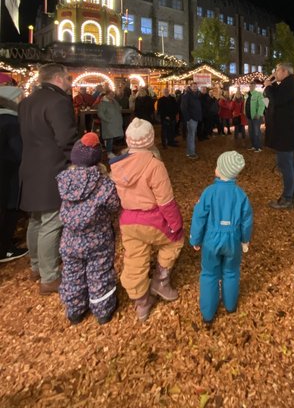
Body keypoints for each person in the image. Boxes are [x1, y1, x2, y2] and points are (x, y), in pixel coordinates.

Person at [109, 118, 184, 322]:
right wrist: (176, 225)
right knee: (174, 242)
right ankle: (161, 281)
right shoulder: (154, 165)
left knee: (134, 258)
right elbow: (166, 201)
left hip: (128, 221)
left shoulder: (117, 165)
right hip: (152, 220)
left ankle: (141, 301)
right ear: (150, 139)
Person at [19, 63, 78, 294]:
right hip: (51, 170)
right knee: (52, 223)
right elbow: (66, 139)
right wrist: (78, 161)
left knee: (35, 220)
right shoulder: (58, 102)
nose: (69, 81)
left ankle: (36, 266)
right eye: (68, 77)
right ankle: (49, 276)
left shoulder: (26, 102)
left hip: (29, 168)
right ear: (58, 78)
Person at [56, 133, 120, 325]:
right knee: (99, 272)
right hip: (97, 239)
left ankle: (75, 310)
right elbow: (114, 205)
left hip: (69, 240)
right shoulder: (103, 183)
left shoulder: (64, 181)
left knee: (72, 273)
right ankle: (103, 310)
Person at [190, 151, 253, 325]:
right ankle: (230, 305)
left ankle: (208, 314)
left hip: (212, 238)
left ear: (221, 170)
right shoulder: (241, 195)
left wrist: (195, 239)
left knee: (209, 274)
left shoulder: (209, 192)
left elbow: (199, 216)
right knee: (231, 272)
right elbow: (246, 221)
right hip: (233, 238)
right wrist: (245, 240)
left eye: (218, 166)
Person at [263, 63, 294, 209]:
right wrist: (271, 82)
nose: (275, 73)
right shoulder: (288, 84)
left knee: (285, 165)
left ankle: (287, 197)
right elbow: (277, 99)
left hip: (284, 133)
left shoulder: (288, 85)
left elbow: (277, 101)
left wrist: (268, 86)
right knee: (290, 164)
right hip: (286, 132)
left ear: (285, 71)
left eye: (277, 70)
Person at [0, 81, 28, 262]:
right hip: (9, 174)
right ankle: (4, 248)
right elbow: (19, 151)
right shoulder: (11, 122)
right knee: (10, 208)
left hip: (4, 171)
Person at [96, 88, 124, 158]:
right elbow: (100, 113)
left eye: (113, 94)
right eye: (110, 94)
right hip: (108, 124)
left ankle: (108, 147)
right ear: (107, 95)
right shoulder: (103, 103)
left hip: (116, 123)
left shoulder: (114, 101)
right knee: (110, 137)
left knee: (119, 136)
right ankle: (109, 152)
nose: (112, 95)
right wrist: (107, 119)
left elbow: (118, 108)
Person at [180, 82, 202, 159]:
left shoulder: (196, 95)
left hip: (195, 118)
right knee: (191, 135)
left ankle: (190, 151)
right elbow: (183, 107)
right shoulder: (187, 95)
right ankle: (191, 153)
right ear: (190, 87)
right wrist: (188, 118)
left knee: (192, 135)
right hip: (191, 119)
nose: (195, 88)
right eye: (194, 86)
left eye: (196, 86)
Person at [246, 81, 266, 151]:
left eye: (253, 85)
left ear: (255, 86)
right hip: (249, 116)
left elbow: (262, 104)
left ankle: (259, 147)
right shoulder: (247, 95)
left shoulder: (259, 94)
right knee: (251, 132)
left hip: (256, 117)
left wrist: (259, 114)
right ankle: (253, 146)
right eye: (250, 85)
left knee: (256, 132)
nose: (251, 86)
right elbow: (246, 105)